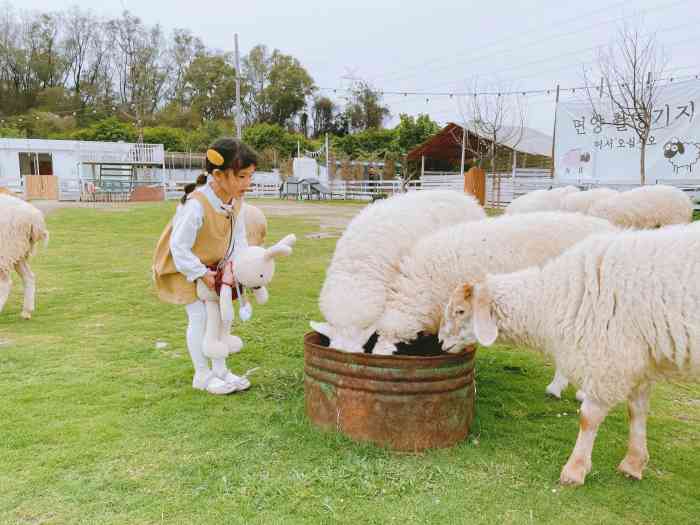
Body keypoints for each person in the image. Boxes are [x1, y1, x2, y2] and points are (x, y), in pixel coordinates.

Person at [153, 138, 259, 395]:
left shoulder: (234, 201)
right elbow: (179, 246)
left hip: (214, 266)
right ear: (219, 175)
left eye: (250, 176)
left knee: (220, 317)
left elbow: (239, 237)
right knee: (200, 317)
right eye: (242, 176)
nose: (248, 183)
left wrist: (239, 267)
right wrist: (200, 273)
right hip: (184, 266)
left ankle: (220, 370)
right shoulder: (196, 204)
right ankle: (202, 374)